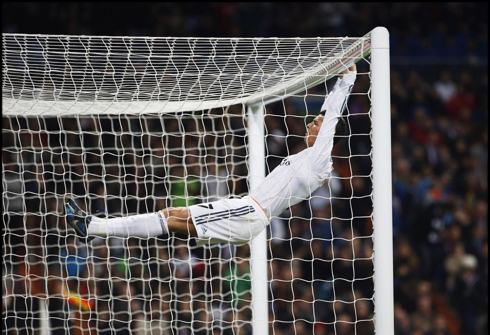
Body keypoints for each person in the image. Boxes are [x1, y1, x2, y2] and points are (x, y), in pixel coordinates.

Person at [65, 64, 357, 246]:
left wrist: (348, 79)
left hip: (251, 211)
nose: (311, 122)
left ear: (328, 137)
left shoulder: (321, 159)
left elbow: (330, 115)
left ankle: (93, 226)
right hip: (248, 214)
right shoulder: (311, 157)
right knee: (170, 219)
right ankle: (92, 227)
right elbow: (326, 113)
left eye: (316, 124)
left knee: (171, 215)